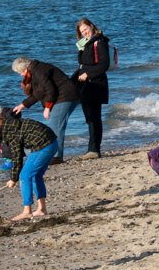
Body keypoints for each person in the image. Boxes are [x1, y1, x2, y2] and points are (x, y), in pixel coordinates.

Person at [0, 111, 58, 221]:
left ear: (0, 132)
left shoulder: (11, 134)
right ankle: (42, 209)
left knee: (24, 176)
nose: (0, 140)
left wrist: (13, 179)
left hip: (44, 146)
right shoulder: (14, 124)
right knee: (36, 176)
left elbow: (17, 157)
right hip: (53, 143)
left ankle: (27, 211)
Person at [11, 57, 79, 163]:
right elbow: (39, 93)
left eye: (19, 72)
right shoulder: (36, 70)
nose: (20, 75)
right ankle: (55, 155)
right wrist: (22, 105)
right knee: (55, 125)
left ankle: (56, 157)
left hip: (66, 96)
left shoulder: (38, 72)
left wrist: (47, 108)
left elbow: (49, 90)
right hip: (64, 96)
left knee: (55, 126)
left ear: (25, 69)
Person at [71, 18, 111, 160]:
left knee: (94, 118)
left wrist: (88, 74)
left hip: (96, 85)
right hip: (86, 85)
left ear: (92, 26)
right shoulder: (85, 44)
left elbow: (104, 65)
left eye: (86, 29)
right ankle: (92, 148)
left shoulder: (99, 42)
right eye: (82, 32)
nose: (85, 33)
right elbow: (83, 64)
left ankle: (94, 149)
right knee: (90, 118)